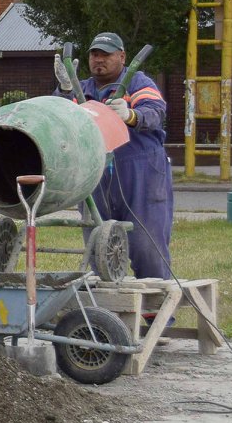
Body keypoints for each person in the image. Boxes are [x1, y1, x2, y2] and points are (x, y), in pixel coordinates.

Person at [71, 31, 174, 279]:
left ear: (122, 56)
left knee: (146, 245)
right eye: (94, 54)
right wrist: (64, 88)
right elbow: (58, 115)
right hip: (95, 174)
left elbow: (155, 112)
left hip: (141, 172)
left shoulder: (138, 83)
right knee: (99, 244)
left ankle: (155, 311)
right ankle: (110, 309)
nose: (99, 60)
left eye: (106, 55)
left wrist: (130, 115)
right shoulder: (80, 89)